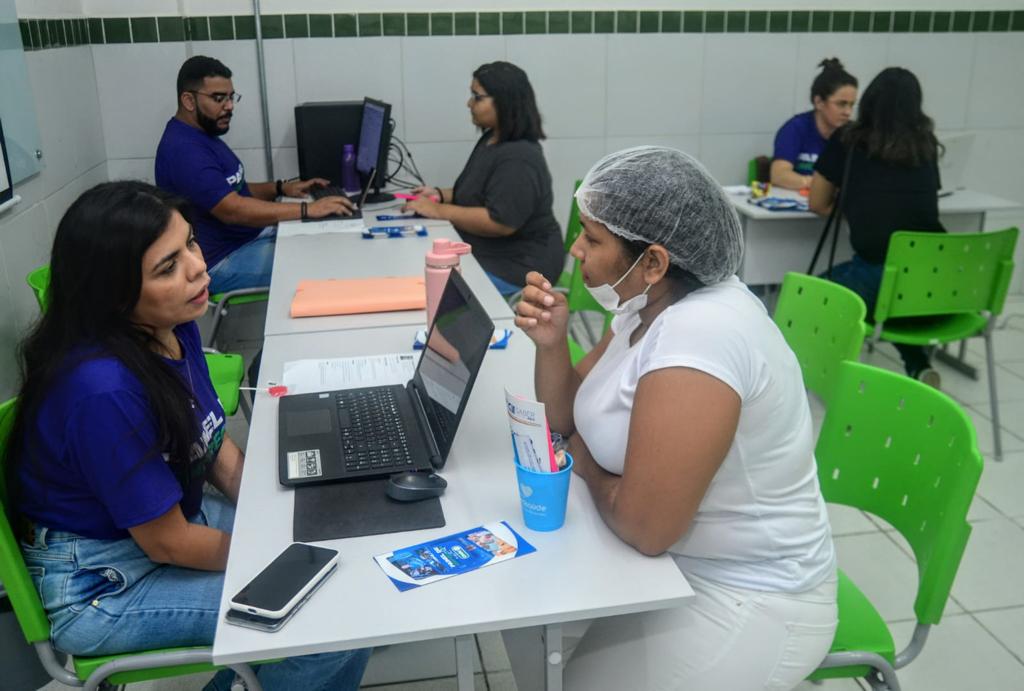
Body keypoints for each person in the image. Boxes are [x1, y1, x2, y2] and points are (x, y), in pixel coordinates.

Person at [4, 181, 370, 690]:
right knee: (335, 617)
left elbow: (214, 447)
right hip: (104, 585)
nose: (198, 268)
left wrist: (288, 517)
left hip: (161, 524)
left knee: (334, 558)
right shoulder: (102, 390)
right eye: (166, 267)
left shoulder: (173, 325)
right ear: (112, 293)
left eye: (190, 244)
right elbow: (170, 543)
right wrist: (278, 552)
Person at [514, 147, 837, 690]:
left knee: (570, 681)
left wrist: (582, 458)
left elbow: (647, 527)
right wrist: (551, 345)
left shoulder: (701, 334)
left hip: (750, 595)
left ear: (655, 262)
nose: (575, 249)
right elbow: (566, 414)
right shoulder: (648, 302)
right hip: (672, 565)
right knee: (529, 631)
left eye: (593, 239)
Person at [155, 56, 353, 294]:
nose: (229, 106)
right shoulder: (184, 150)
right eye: (219, 98)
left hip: (247, 239)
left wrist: (281, 189)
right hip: (221, 261)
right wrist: (308, 210)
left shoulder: (202, 134)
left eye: (231, 97)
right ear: (188, 100)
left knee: (329, 241)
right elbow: (232, 209)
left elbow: (232, 188)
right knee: (321, 264)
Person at [809, 67, 945, 387]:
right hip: (935, 282)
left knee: (809, 294)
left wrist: (859, 210)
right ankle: (917, 362)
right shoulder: (925, 144)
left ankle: (817, 375)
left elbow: (817, 203)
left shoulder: (849, 141)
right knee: (895, 293)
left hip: (878, 275)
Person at [402, 61, 564, 295]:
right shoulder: (492, 140)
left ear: (504, 102)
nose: (469, 104)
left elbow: (500, 222)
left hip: (520, 266)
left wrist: (438, 210)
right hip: (492, 253)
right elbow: (480, 192)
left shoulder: (519, 157)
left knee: (432, 289)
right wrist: (439, 195)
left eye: (477, 97)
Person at [771, 58, 858, 190]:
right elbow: (779, 175)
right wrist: (819, 187)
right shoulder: (796, 128)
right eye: (841, 104)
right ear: (819, 102)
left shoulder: (855, 134)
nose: (848, 112)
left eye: (852, 105)